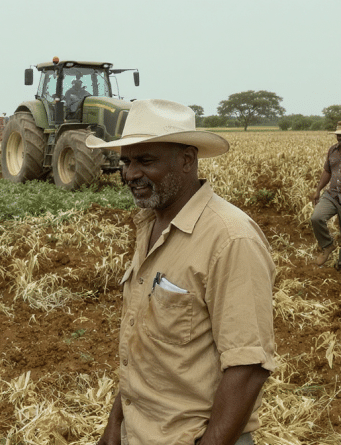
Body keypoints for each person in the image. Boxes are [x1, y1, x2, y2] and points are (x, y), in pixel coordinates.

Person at [86, 99, 276, 445]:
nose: (130, 174)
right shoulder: (151, 223)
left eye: (146, 161)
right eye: (126, 162)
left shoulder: (231, 238)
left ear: (187, 160)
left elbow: (248, 367)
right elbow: (143, 346)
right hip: (138, 431)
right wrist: (115, 425)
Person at [309, 121, 341, 267]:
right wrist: (318, 190)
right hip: (332, 195)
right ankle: (327, 245)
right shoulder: (333, 150)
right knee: (316, 218)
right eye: (338, 135)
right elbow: (327, 171)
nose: (339, 138)